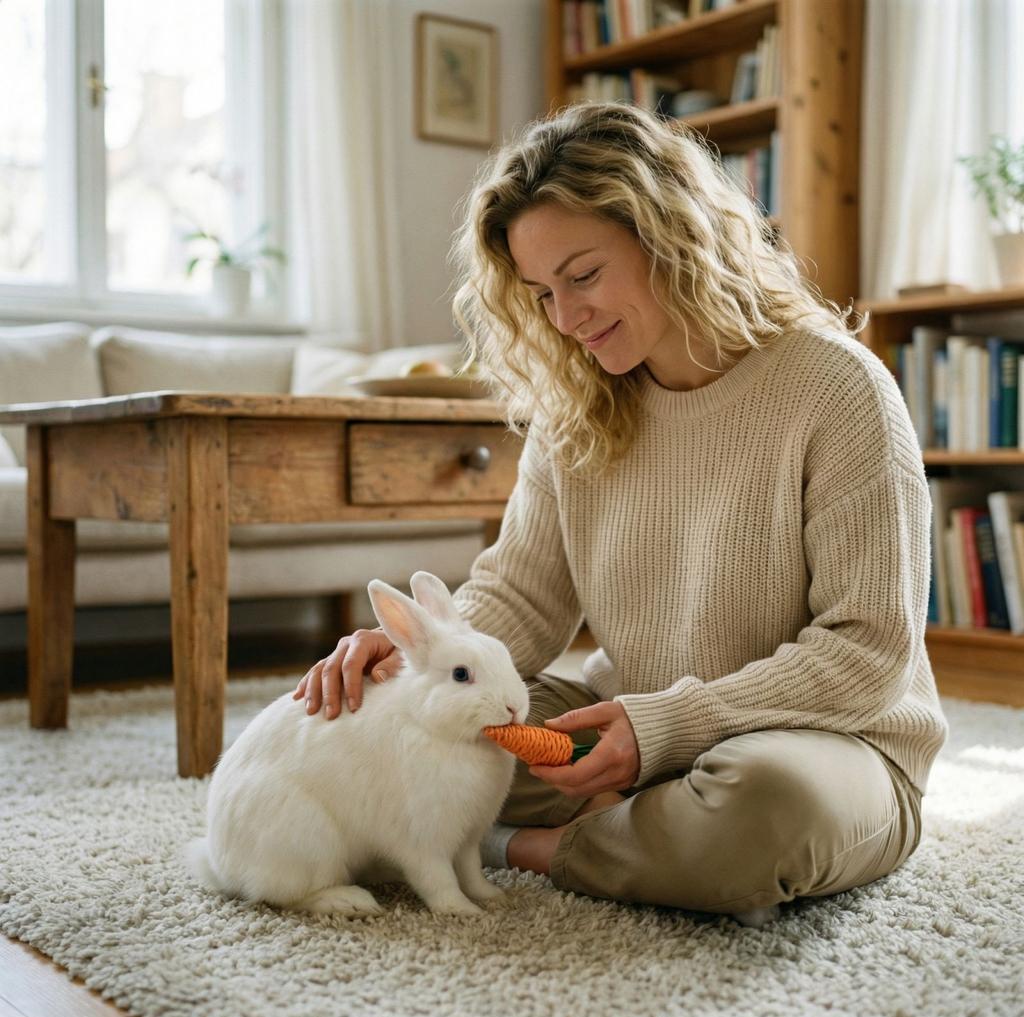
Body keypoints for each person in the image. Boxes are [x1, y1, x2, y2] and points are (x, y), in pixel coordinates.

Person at [293, 102, 948, 924]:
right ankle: (646, 839)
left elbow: (869, 652)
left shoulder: (837, 388)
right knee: (404, 733)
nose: (565, 320)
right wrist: (418, 655)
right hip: (630, 729)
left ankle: (526, 848)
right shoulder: (577, 407)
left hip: (827, 742)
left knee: (759, 810)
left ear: (671, 238)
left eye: (583, 275)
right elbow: (523, 602)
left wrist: (669, 725)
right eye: (539, 293)